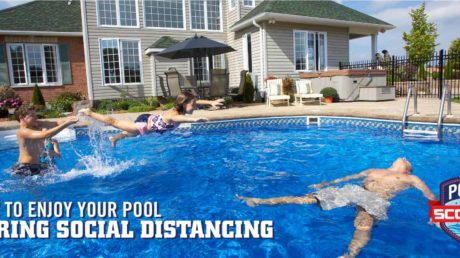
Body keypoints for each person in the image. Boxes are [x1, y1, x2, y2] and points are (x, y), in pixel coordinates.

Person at [237, 158, 438, 258]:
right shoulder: (374, 170)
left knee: (364, 222)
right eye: (400, 157)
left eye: (406, 160)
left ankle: (348, 255)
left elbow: (430, 196)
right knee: (308, 199)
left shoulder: (411, 178)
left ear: (407, 168)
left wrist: (437, 216)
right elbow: (347, 179)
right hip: (354, 191)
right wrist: (324, 185)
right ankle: (260, 201)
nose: (402, 157)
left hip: (376, 200)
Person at [79, 92, 224, 147]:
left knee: (131, 134)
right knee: (114, 122)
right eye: (192, 104)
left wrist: (210, 102)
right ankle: (89, 112)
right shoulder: (173, 114)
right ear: (184, 104)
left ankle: (115, 138)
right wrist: (194, 119)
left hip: (149, 123)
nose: (195, 106)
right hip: (143, 123)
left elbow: (198, 102)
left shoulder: (182, 108)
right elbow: (176, 118)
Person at [11, 106, 78, 176]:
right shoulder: (22, 132)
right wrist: (66, 124)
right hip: (25, 167)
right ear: (21, 117)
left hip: (37, 165)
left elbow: (56, 123)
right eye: (32, 115)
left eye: (35, 115)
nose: (36, 118)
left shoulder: (36, 124)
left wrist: (69, 119)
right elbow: (45, 134)